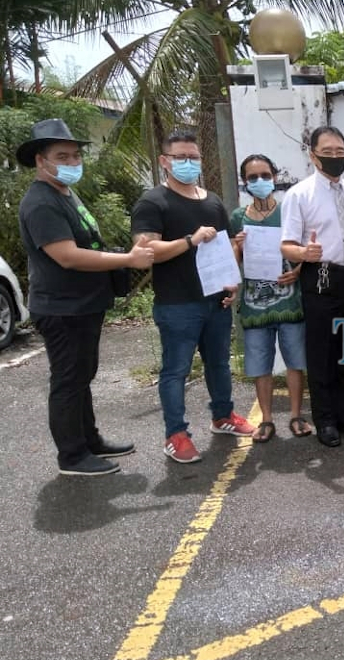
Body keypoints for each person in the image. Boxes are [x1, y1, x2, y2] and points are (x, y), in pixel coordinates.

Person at [17, 119, 154, 476]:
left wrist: (126, 250)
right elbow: (67, 255)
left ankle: (89, 440)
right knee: (68, 379)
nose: (72, 161)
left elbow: (87, 243)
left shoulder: (65, 193)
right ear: (40, 161)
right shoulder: (41, 202)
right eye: (62, 156)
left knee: (81, 376)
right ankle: (72, 456)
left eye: (76, 155)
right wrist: (128, 259)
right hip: (62, 309)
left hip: (83, 305)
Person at [132, 130, 253, 464]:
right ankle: (176, 434)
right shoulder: (153, 202)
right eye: (181, 157)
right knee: (176, 370)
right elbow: (146, 251)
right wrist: (190, 239)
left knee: (219, 364)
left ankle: (223, 416)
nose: (188, 163)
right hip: (177, 304)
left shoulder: (212, 201)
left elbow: (227, 246)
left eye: (194, 157)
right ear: (165, 161)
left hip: (215, 302)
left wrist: (231, 283)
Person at [280, 126, 344, 448]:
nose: (336, 157)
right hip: (322, 276)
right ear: (313, 155)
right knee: (322, 352)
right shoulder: (299, 194)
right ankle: (325, 420)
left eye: (341, 151)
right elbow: (286, 245)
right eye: (328, 152)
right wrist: (303, 254)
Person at [231, 154, 311, 442]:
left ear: (274, 176)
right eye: (252, 178)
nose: (260, 182)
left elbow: (304, 250)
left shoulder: (288, 212)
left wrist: (299, 270)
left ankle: (295, 414)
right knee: (259, 364)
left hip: (290, 300)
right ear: (244, 182)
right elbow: (231, 262)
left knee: (294, 360)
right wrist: (238, 247)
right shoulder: (238, 218)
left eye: (265, 175)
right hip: (255, 304)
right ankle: (266, 419)